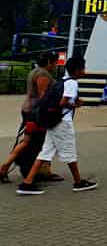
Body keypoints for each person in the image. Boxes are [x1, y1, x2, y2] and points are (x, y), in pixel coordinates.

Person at [17, 56, 98, 195]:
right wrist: (75, 105)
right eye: (83, 68)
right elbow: (62, 103)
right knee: (70, 153)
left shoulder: (63, 81)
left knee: (45, 153)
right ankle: (78, 182)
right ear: (77, 70)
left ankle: (27, 182)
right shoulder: (72, 83)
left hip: (52, 122)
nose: (84, 71)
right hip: (62, 123)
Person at [1, 52, 62, 183]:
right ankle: (4, 168)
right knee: (30, 142)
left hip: (31, 110)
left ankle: (43, 170)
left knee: (35, 142)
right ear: (49, 62)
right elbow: (43, 96)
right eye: (55, 62)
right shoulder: (42, 74)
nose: (56, 65)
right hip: (36, 113)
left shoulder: (35, 71)